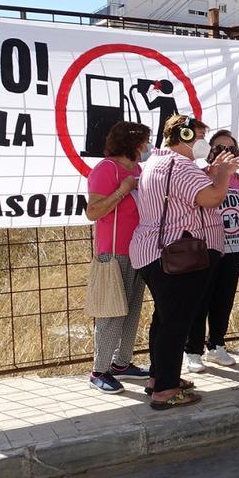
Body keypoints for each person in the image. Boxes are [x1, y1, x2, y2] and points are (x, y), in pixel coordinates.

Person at [130, 114, 237, 409]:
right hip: (177, 254)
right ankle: (165, 390)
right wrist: (224, 174)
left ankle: (160, 377)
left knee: (165, 319)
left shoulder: (158, 161)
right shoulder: (181, 166)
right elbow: (212, 198)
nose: (205, 143)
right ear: (186, 136)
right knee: (175, 323)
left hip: (154, 251)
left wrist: (211, 172)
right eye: (200, 136)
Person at [86, 121, 153, 394]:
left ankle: (122, 363)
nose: (148, 146)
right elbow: (93, 211)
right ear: (132, 143)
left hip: (138, 250)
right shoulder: (106, 169)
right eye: (145, 141)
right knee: (112, 312)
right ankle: (99, 370)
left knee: (132, 310)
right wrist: (122, 190)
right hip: (113, 253)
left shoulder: (137, 170)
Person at [183, 129, 239, 373]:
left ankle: (217, 344)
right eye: (220, 148)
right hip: (206, 246)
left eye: (231, 148)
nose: (225, 152)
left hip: (233, 245)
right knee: (200, 297)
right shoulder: (200, 175)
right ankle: (192, 350)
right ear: (210, 151)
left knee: (224, 296)